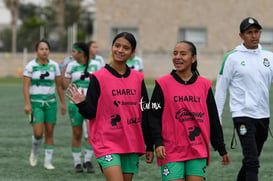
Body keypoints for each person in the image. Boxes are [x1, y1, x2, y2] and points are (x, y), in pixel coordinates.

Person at [66, 32, 154, 181]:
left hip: (130, 141)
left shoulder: (138, 78)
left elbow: (145, 111)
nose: (120, 50)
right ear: (112, 47)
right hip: (107, 142)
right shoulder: (98, 77)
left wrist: (150, 144)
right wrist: (81, 104)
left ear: (132, 53)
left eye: (125, 48)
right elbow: (91, 113)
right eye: (117, 45)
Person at [149, 40, 230, 181]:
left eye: (183, 54)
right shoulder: (162, 84)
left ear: (193, 58)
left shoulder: (204, 85)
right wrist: (157, 143)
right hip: (171, 149)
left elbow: (213, 118)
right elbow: (153, 117)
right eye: (175, 53)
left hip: (197, 149)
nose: (177, 57)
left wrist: (221, 147)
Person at [215, 17, 273, 181]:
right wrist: (216, 118)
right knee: (252, 161)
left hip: (263, 116)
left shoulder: (269, 57)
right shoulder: (232, 58)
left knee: (250, 162)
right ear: (241, 36)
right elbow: (221, 90)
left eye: (256, 32)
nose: (254, 36)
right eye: (249, 32)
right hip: (242, 116)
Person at [23, 39, 66, 170]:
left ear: (49, 51)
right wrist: (27, 104)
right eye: (41, 49)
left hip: (51, 103)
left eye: (46, 49)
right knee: (38, 133)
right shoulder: (30, 66)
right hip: (36, 104)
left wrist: (63, 103)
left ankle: (48, 161)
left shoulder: (54, 66)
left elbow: (59, 86)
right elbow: (25, 87)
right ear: (36, 51)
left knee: (49, 132)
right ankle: (35, 153)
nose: (44, 51)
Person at [62, 42, 101, 173]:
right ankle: (77, 162)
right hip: (74, 104)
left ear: (81, 53)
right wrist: (63, 71)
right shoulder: (71, 66)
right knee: (77, 134)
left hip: (90, 104)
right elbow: (64, 86)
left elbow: (102, 84)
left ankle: (88, 161)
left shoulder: (96, 64)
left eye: (74, 51)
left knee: (91, 133)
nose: (72, 54)